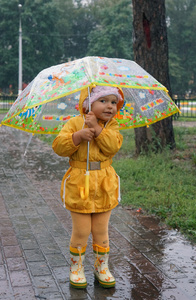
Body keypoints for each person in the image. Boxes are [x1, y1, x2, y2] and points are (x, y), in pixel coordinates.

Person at [52, 85, 124, 289]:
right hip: (79, 183)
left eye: (113, 102)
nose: (110, 106)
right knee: (82, 231)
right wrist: (78, 136)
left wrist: (98, 129)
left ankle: (102, 267)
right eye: (103, 101)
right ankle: (77, 268)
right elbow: (58, 146)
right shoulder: (75, 123)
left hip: (104, 184)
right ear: (88, 103)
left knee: (101, 230)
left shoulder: (112, 126)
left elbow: (113, 147)